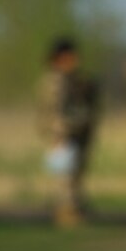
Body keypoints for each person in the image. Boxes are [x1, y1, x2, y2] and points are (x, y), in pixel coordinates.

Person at [36, 36, 99, 229]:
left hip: (75, 133)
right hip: (61, 134)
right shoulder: (54, 81)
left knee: (74, 175)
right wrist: (58, 135)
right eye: (70, 56)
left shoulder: (72, 80)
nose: (74, 60)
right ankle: (66, 212)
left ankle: (73, 209)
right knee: (64, 176)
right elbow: (51, 111)